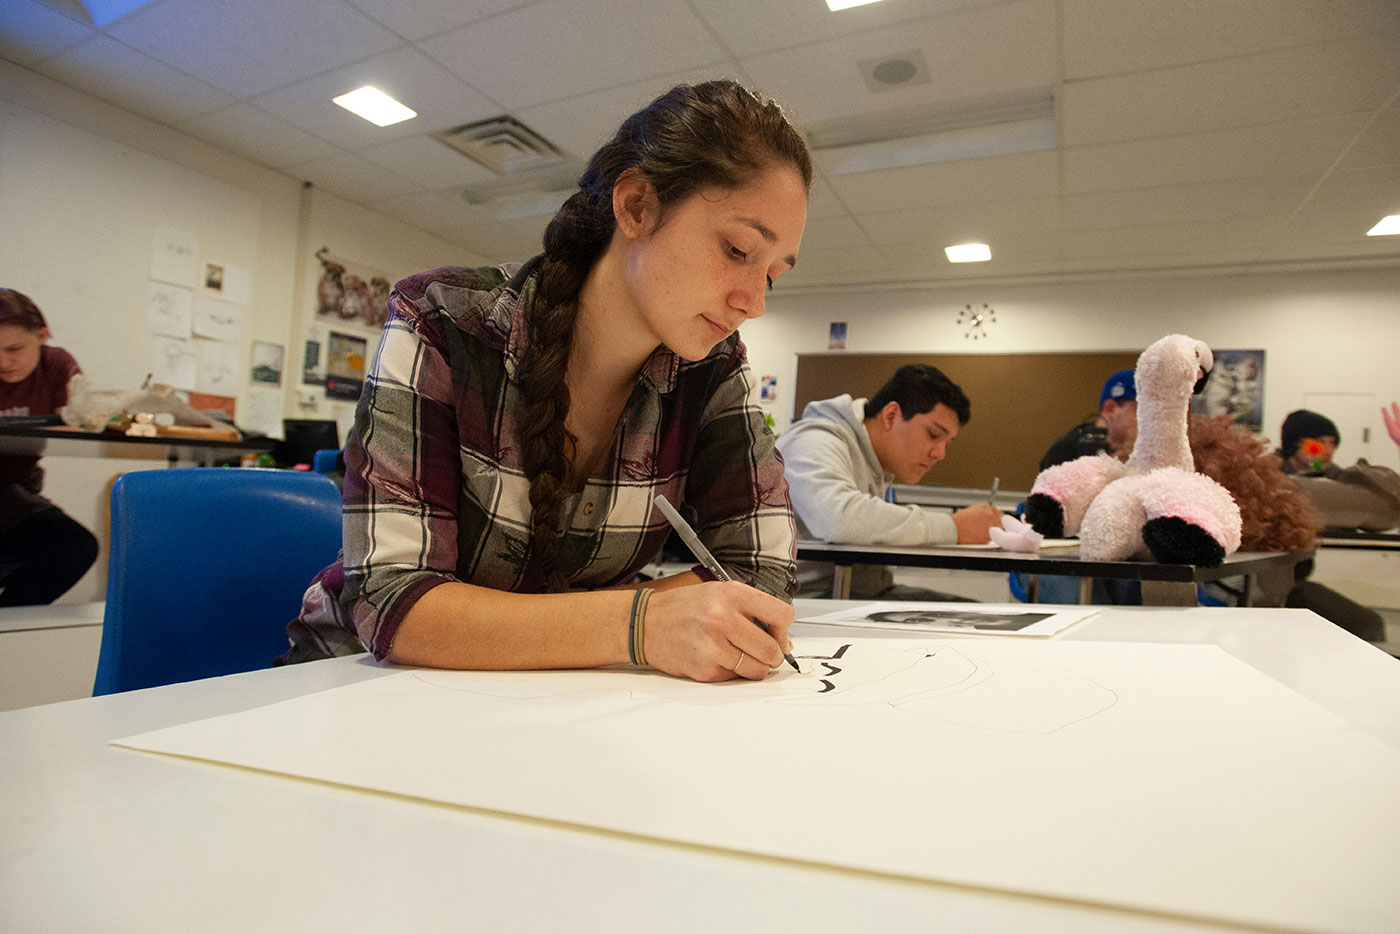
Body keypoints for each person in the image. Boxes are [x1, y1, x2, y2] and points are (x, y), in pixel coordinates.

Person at [281, 80, 810, 683]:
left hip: (552, 692)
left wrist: (607, 624)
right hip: (359, 685)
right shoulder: (443, 321)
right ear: (637, 206)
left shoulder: (711, 365)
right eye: (739, 249)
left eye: (774, 274)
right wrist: (641, 622)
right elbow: (394, 603)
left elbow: (760, 568)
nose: (754, 301)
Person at [775, 364, 1001, 599]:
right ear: (891, 415)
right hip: (810, 602)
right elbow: (839, 520)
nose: (940, 453)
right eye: (933, 435)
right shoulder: (813, 441)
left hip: (859, 591)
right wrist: (954, 527)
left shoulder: (874, 461)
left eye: (947, 442)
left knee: (984, 619)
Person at [0, 289, 99, 605]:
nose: (3, 361)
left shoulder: (56, 365)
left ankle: (9, 624)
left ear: (42, 336)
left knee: (75, 546)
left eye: (15, 349)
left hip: (14, 492)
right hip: (10, 496)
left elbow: (82, 417)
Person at [1275, 409, 1400, 532]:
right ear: (1295, 444)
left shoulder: (1339, 479)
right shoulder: (1267, 477)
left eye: (1332, 443)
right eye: (1320, 442)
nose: (1328, 451)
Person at [1039, 368, 1138, 470]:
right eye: (1139, 410)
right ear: (1110, 408)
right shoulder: (1067, 450)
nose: (1148, 418)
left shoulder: (1145, 449)